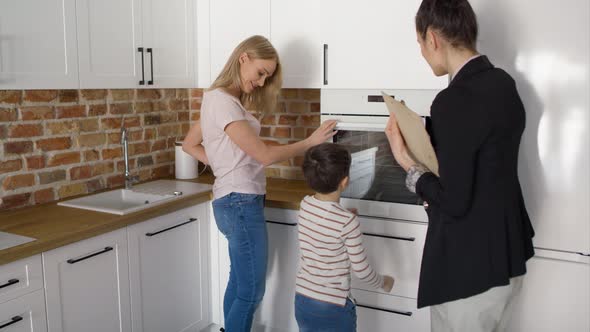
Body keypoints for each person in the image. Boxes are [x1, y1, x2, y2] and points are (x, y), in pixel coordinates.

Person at [384, 1, 536, 331]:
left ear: (432, 38)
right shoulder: (503, 84)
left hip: (468, 272)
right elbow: (482, 164)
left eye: (420, 44)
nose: (423, 54)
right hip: (507, 261)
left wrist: (406, 161)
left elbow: (453, 200)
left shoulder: (453, 100)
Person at [182, 35, 337, 331]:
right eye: (261, 72)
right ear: (243, 58)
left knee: (239, 283)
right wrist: (310, 142)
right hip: (239, 202)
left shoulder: (218, 99)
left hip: (231, 200)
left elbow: (190, 144)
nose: (263, 81)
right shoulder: (224, 102)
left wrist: (224, 163)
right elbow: (263, 154)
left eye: (267, 75)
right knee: (252, 291)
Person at [294, 143, 394, 332]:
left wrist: (344, 215)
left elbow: (323, 222)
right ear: (345, 181)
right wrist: (383, 282)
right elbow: (362, 271)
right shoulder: (347, 222)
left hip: (303, 300)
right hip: (333, 306)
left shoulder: (305, 204)